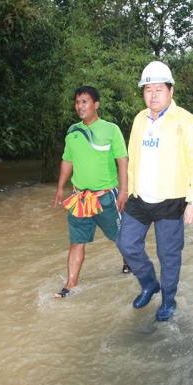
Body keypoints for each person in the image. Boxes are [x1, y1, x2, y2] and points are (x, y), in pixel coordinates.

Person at [116, 61, 193, 321]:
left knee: (168, 256)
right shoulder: (139, 119)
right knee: (126, 243)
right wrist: (127, 190)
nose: (153, 95)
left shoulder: (186, 121)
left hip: (171, 199)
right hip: (139, 198)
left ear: (171, 90)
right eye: (148, 90)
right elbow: (132, 158)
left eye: (159, 89)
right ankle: (149, 283)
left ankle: (168, 300)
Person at [53, 85, 130, 298]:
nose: (80, 106)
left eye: (84, 101)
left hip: (106, 197)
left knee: (122, 237)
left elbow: (122, 160)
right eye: (77, 102)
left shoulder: (111, 129)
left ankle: (130, 264)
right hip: (79, 198)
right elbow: (67, 161)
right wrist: (60, 187)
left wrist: (124, 190)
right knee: (76, 242)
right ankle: (70, 285)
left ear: (96, 104)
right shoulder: (72, 131)